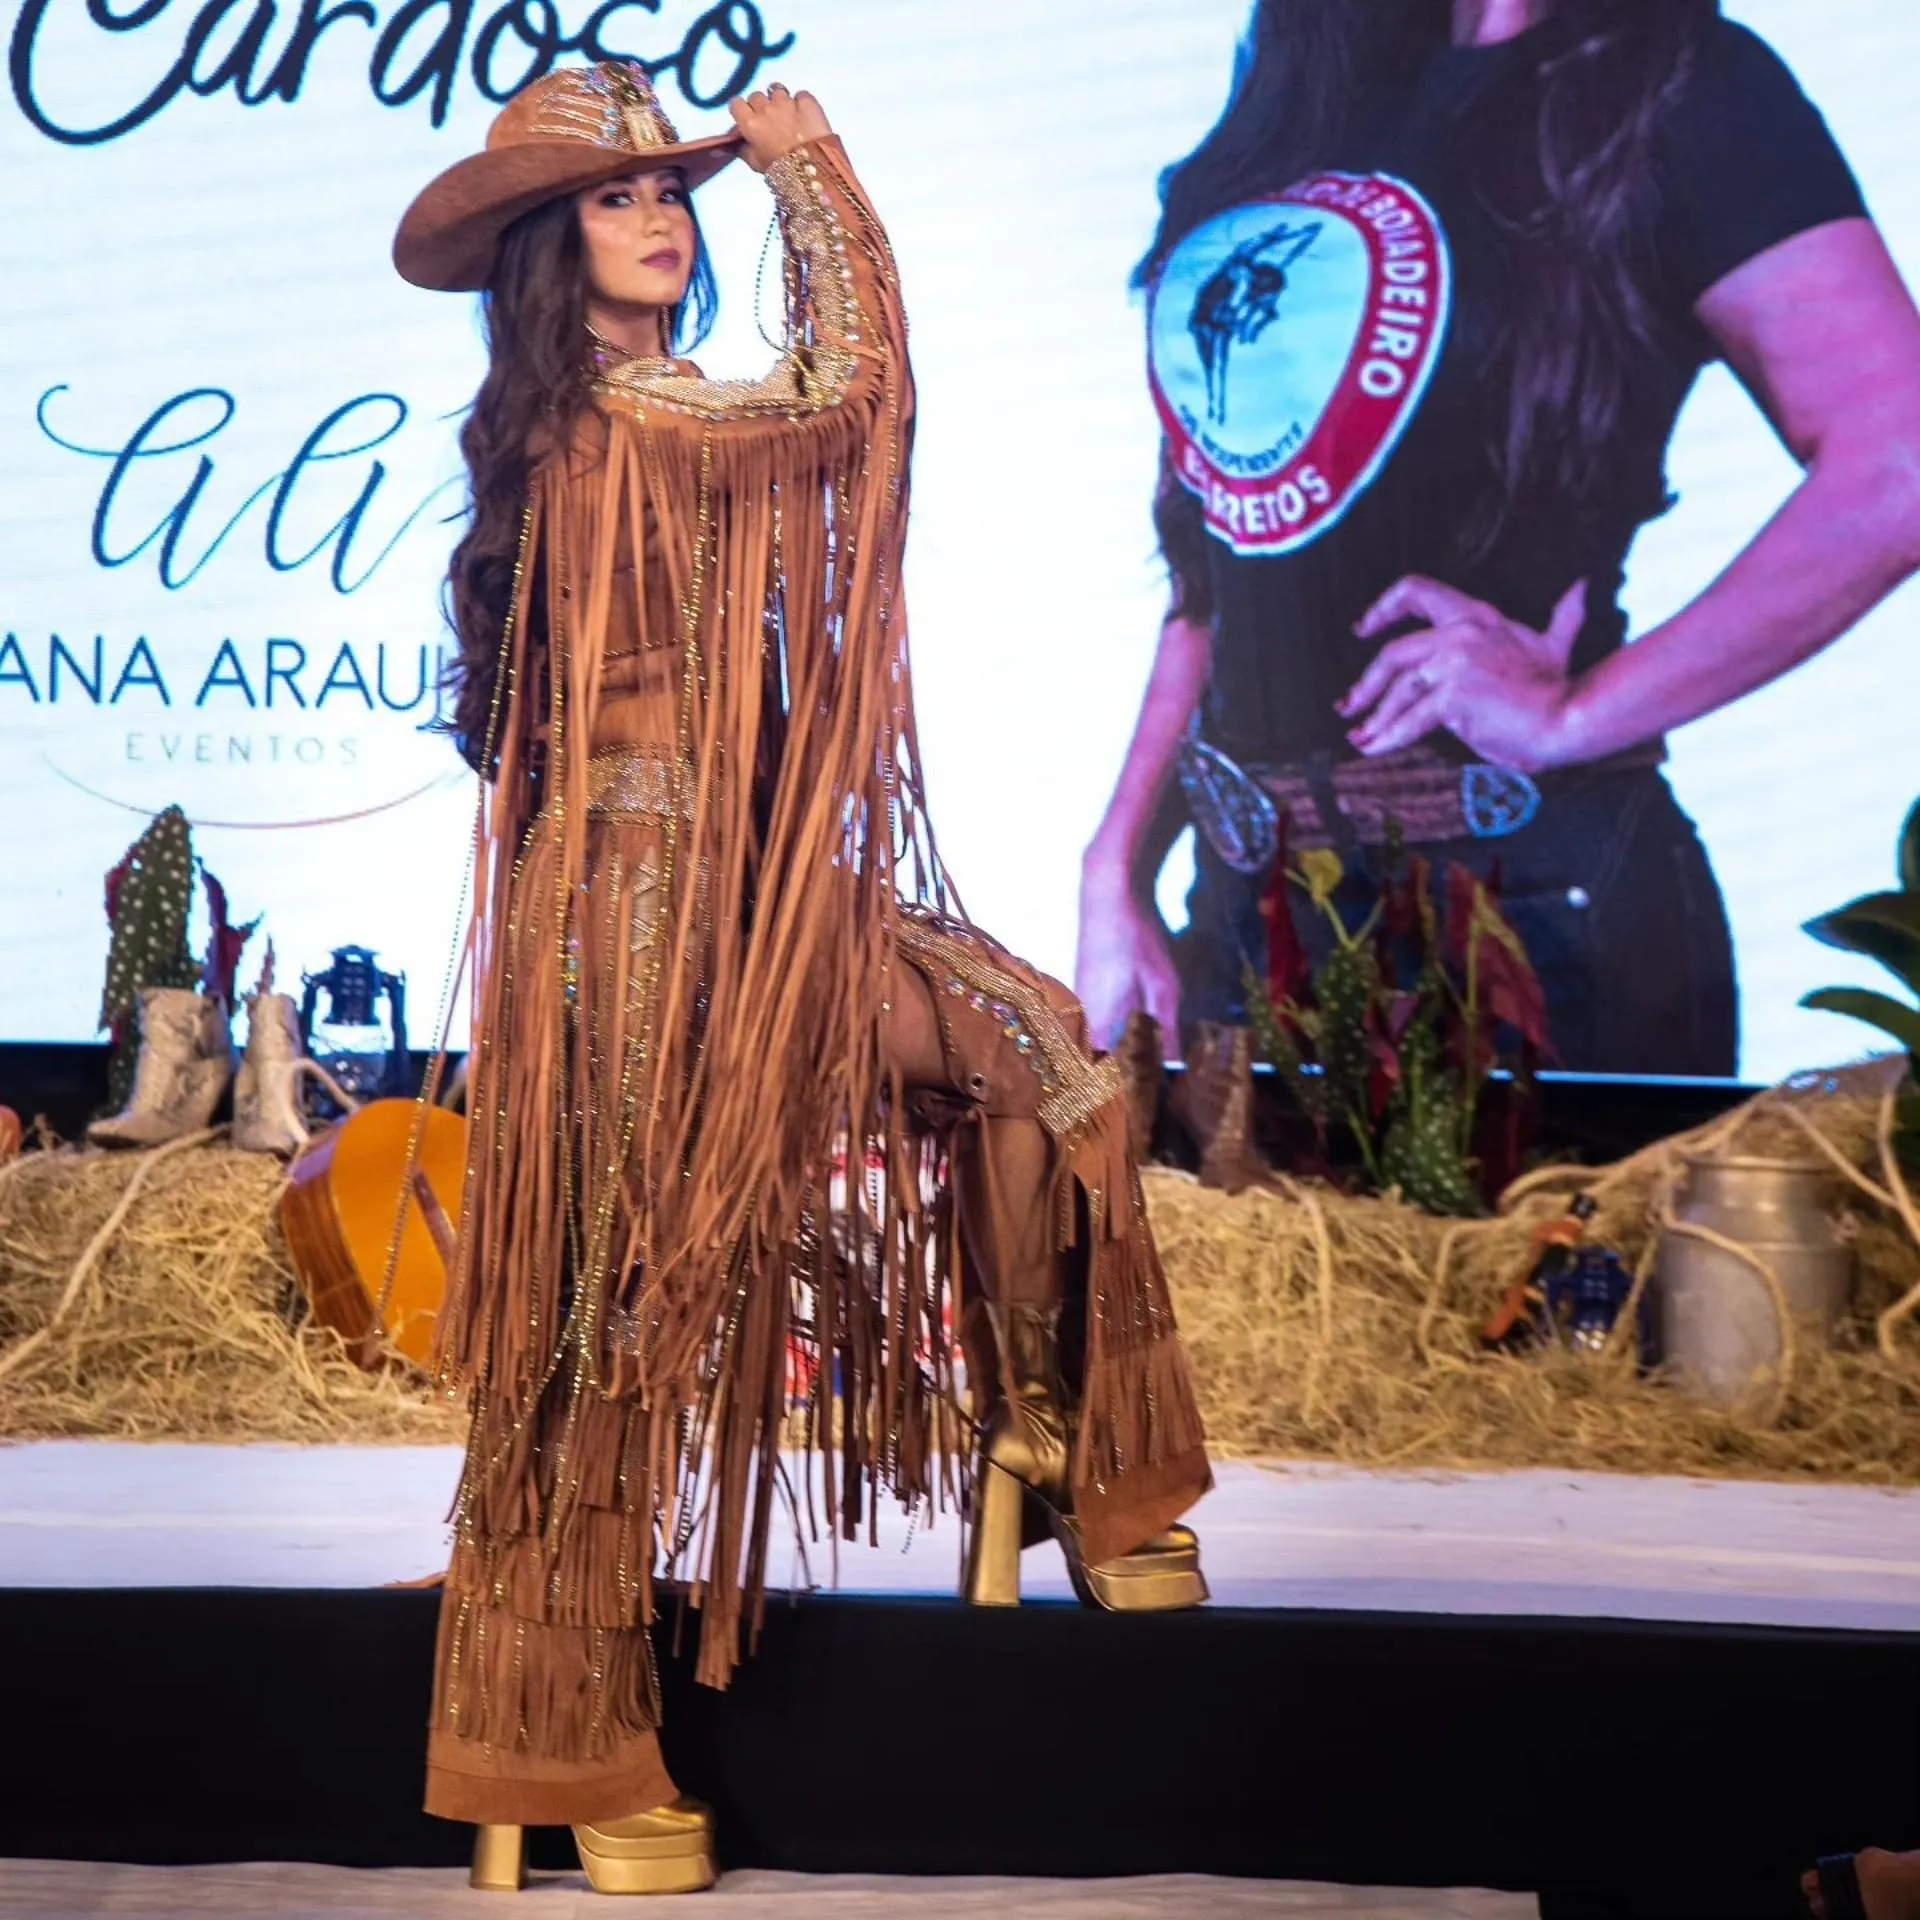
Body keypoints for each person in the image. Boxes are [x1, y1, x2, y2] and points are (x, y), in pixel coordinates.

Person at [391, 63, 1212, 1896]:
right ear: (545, 248)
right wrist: (807, 171)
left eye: (677, 188)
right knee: (608, 1308)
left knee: (1039, 1052)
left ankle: (1055, 1435)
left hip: (768, 913)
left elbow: (836, 424)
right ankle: (563, 1740)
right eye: (621, 197)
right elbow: (853, 397)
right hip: (624, 930)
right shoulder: (615, 416)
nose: (665, 213)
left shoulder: (660, 409)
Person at [1076, 0, 1920, 1077]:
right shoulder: (1315, 79)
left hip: (1530, 920)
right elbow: (1223, 552)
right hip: (1250, 915)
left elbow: (1899, 463)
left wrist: (1574, 715)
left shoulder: (1686, 85)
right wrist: (1117, 865)